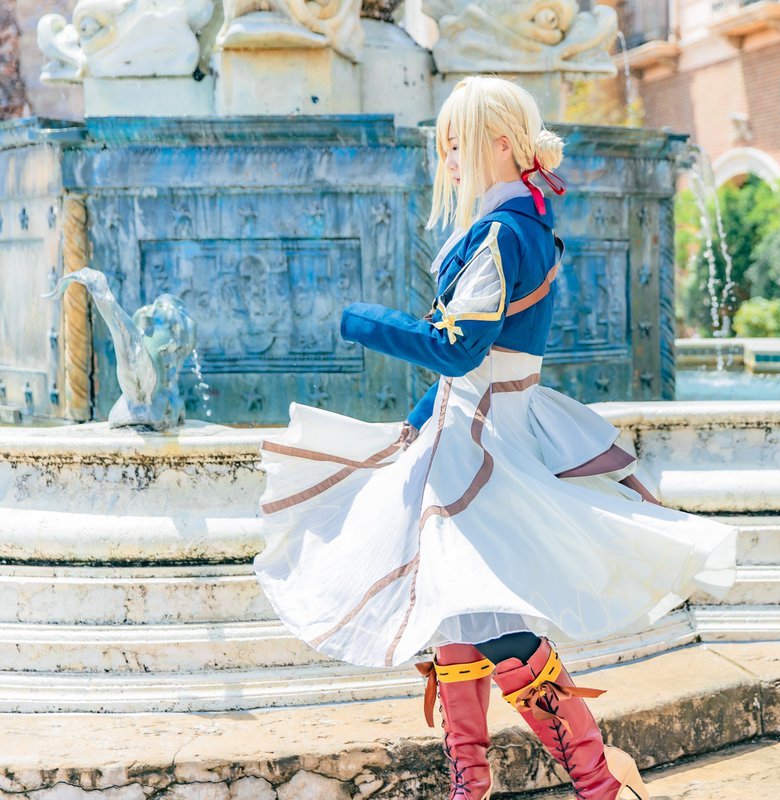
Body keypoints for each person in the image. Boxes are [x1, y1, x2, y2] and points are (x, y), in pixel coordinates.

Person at [253, 75, 738, 800]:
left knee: (497, 632)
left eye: (458, 144)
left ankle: (598, 784)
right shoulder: (522, 221)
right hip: (472, 430)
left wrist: (359, 319)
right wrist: (417, 424)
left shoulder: (504, 232)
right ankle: (477, 787)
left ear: (501, 143)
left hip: (483, 442)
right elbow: (474, 364)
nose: (449, 160)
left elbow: (459, 351)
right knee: (454, 609)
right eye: (445, 146)